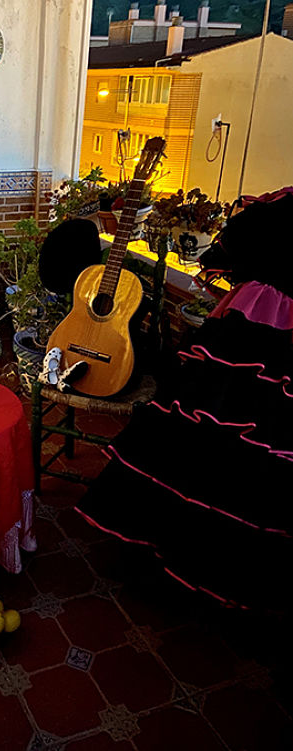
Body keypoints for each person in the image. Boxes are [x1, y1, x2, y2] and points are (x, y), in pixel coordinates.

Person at [76, 187, 293, 611]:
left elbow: (228, 251)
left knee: (211, 429)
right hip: (256, 323)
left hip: (256, 319)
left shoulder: (276, 209)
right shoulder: (278, 207)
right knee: (219, 428)